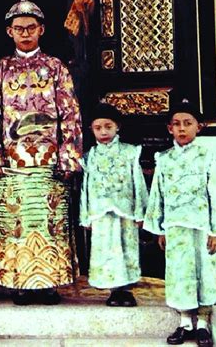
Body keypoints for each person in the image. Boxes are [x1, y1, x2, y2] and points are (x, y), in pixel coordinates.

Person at [0, 0, 82, 305]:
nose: (25, 33)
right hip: (12, 162)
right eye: (19, 28)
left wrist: (68, 156)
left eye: (31, 27)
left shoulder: (55, 67)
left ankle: (50, 285)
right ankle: (20, 284)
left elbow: (70, 114)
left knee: (50, 222)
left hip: (49, 162)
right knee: (16, 224)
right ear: (9, 31)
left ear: (42, 30)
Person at [144, 100, 216, 347]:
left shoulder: (207, 156)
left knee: (202, 272)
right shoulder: (164, 159)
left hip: (200, 226)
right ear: (169, 129)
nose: (182, 128)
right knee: (179, 272)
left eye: (188, 123)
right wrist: (159, 228)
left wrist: (215, 230)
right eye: (176, 124)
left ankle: (204, 324)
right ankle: (185, 321)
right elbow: (157, 194)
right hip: (175, 226)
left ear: (199, 127)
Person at [79, 102, 148, 306]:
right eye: (98, 128)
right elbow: (86, 186)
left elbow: (138, 182)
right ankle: (112, 290)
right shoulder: (90, 156)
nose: (103, 132)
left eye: (108, 126)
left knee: (126, 248)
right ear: (91, 129)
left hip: (125, 211)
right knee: (106, 249)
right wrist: (86, 215)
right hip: (100, 213)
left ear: (117, 126)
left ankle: (125, 290)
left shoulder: (130, 152)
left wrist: (140, 212)